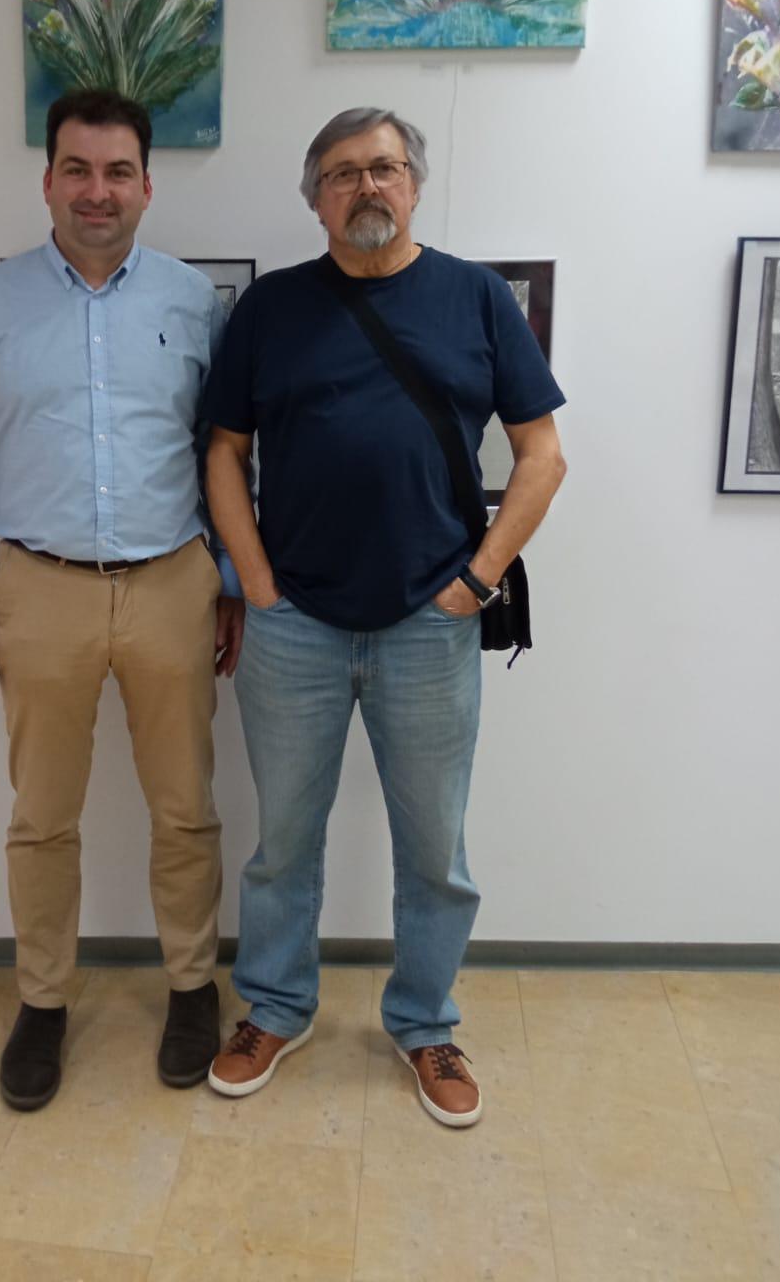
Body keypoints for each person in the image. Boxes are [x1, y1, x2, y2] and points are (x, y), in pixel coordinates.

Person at [201, 107, 566, 1126]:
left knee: (435, 850)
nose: (368, 186)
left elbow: (542, 456)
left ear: (414, 184)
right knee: (283, 842)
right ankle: (275, 1008)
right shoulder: (272, 308)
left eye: (386, 167)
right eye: (344, 172)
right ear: (315, 198)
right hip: (294, 625)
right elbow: (224, 450)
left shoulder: (475, 298)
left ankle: (425, 1023)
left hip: (430, 624)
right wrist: (255, 581)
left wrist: (476, 583)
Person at [0, 89, 244, 1110]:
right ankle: (44, 999)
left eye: (116, 172)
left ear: (146, 185)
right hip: (38, 589)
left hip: (172, 585)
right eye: (77, 170)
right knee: (42, 816)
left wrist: (231, 581)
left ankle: (191, 986)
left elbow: (229, 454)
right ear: (48, 179)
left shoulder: (193, 302)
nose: (97, 191)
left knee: (185, 808)